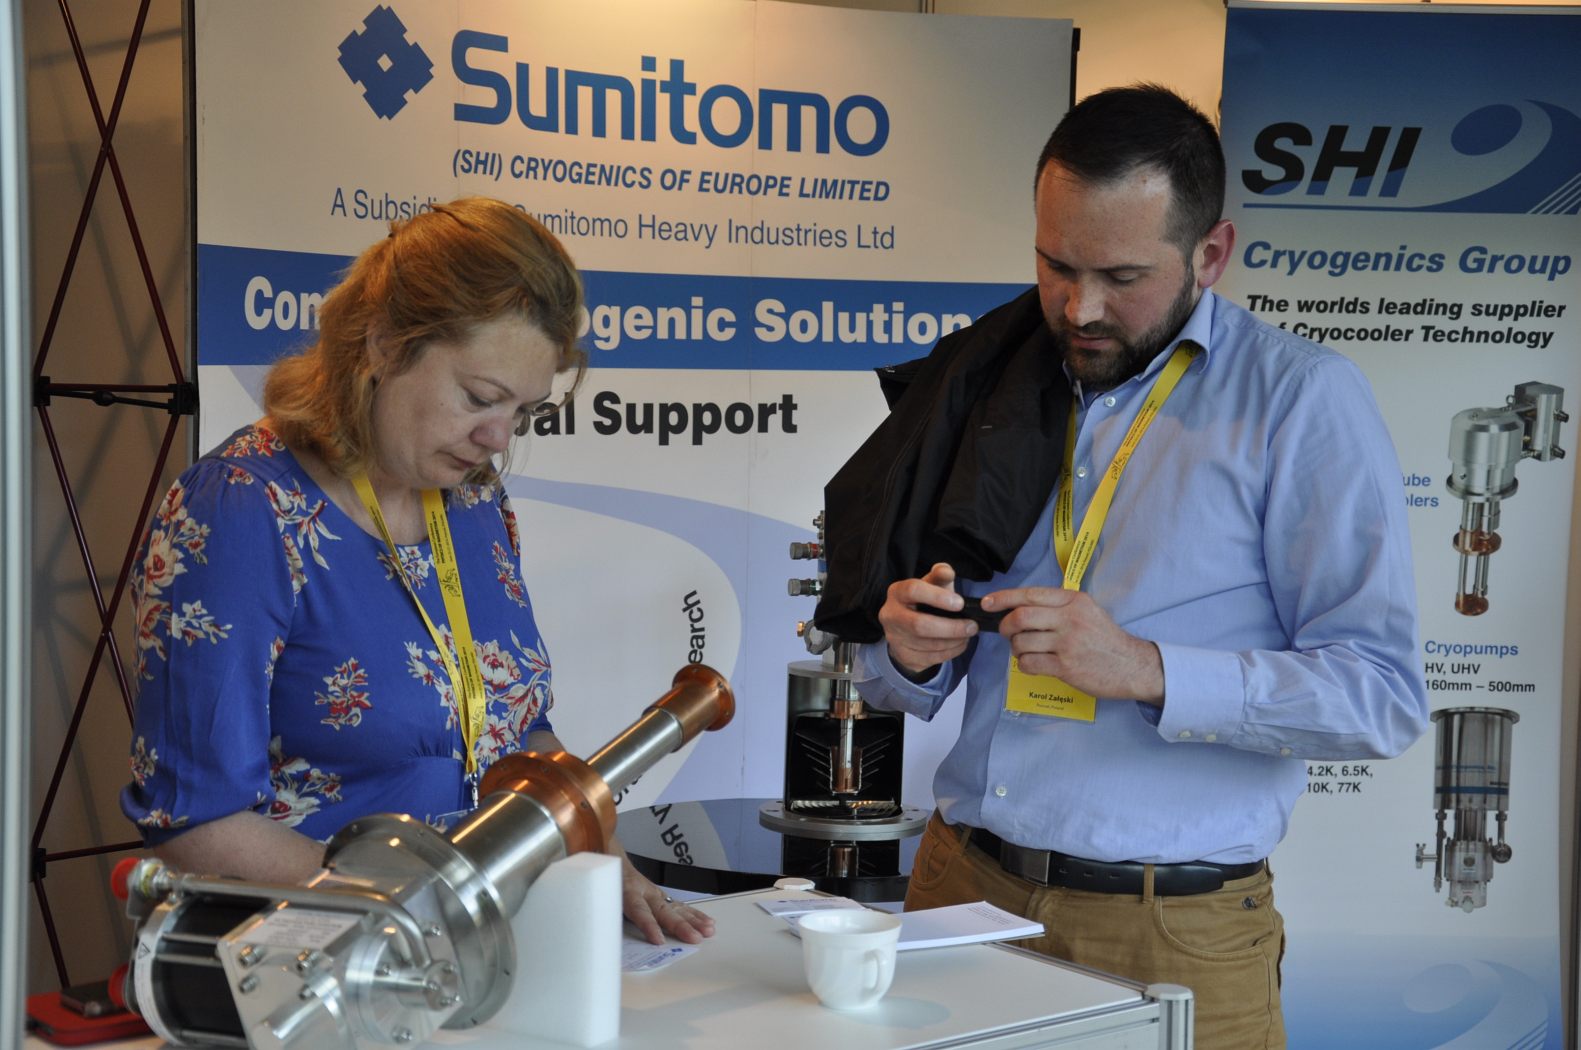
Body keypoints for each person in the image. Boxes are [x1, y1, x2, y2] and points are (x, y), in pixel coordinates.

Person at [843, 86, 1429, 1049]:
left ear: (1210, 253)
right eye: (1055, 266)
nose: (1080, 309)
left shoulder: (1301, 402)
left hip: (1174, 932)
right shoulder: (983, 376)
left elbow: (1380, 698)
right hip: (960, 890)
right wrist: (906, 651)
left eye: (1121, 275)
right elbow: (893, 677)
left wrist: (1147, 671)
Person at [121, 196, 711, 946]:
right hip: (307, 959)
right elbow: (196, 821)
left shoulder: (472, 501)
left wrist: (598, 849)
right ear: (383, 345)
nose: (498, 438)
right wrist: (417, 912)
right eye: (481, 398)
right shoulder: (241, 509)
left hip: (471, 946)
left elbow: (511, 728)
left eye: (523, 412)